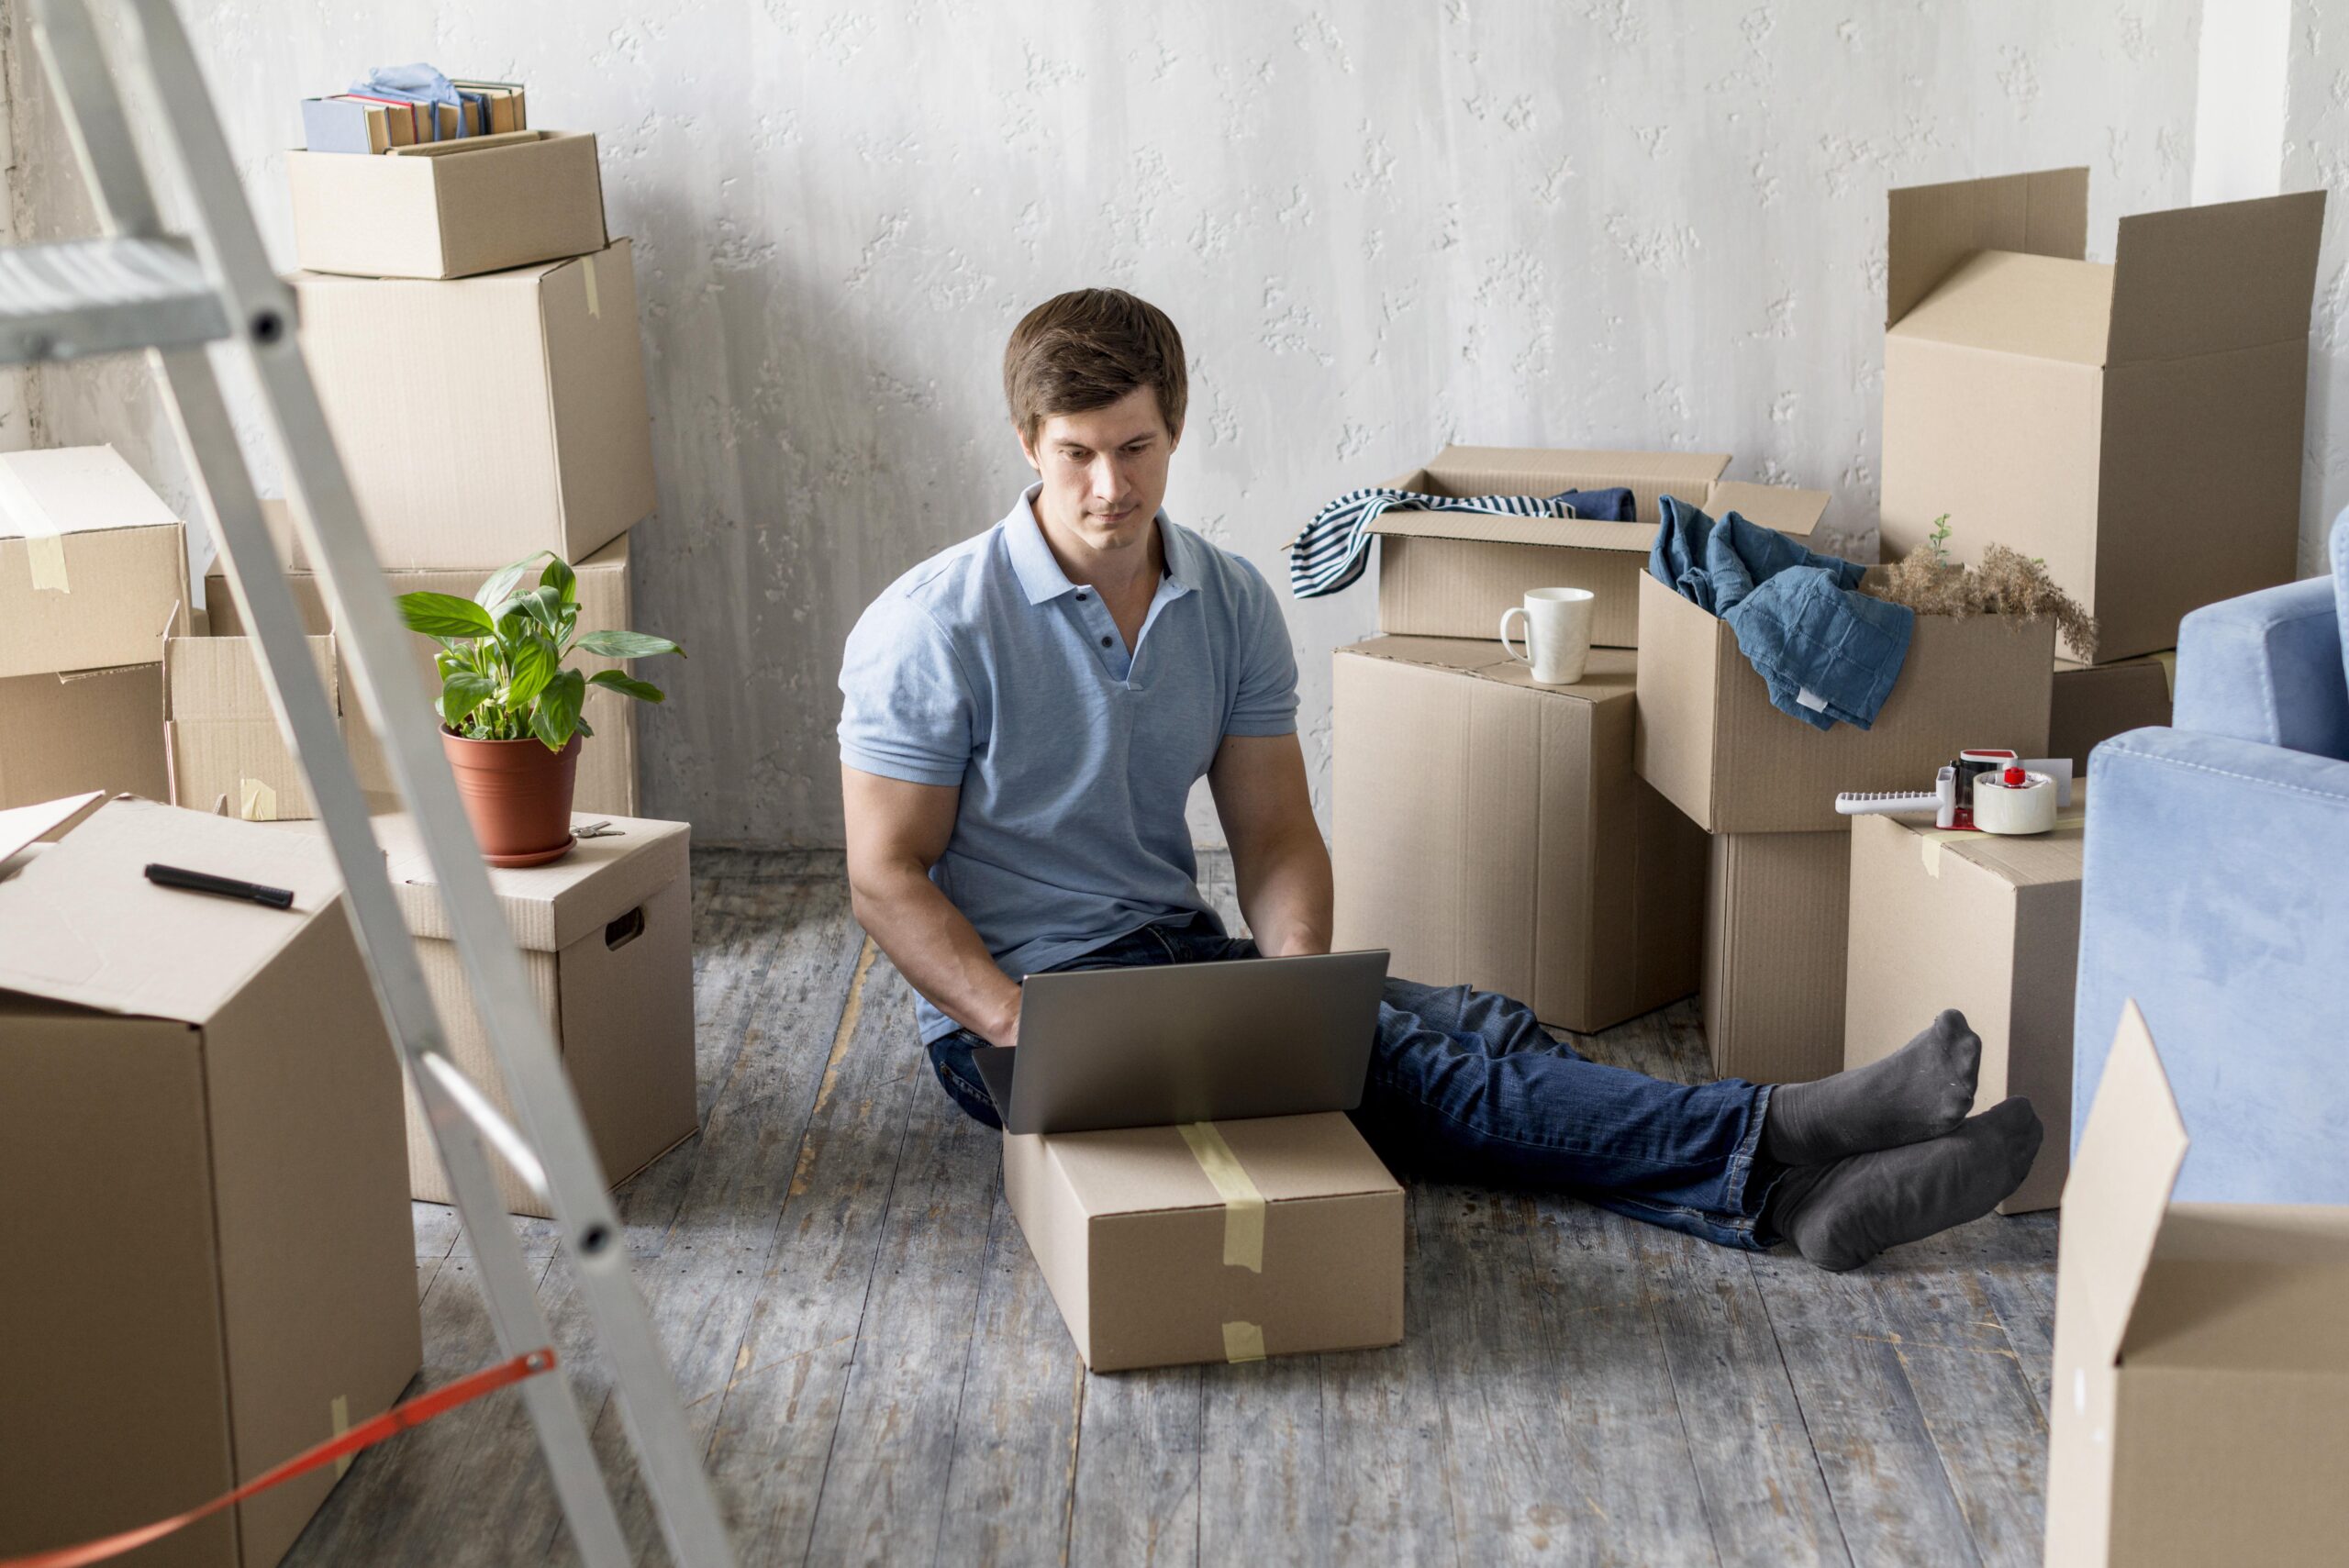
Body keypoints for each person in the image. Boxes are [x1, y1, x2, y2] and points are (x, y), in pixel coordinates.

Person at [837, 287, 2041, 1271]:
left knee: (1475, 1027)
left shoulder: (1229, 598)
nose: (1111, 486)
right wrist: (1016, 1022)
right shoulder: (932, 626)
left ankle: (1796, 1210)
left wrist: (1295, 984)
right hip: (1024, 1011)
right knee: (1414, 1073)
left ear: (1178, 427)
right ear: (1026, 444)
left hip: (1175, 958)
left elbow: (1274, 835)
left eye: (1136, 447)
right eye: (1077, 455)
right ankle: (1782, 1129)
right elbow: (886, 878)